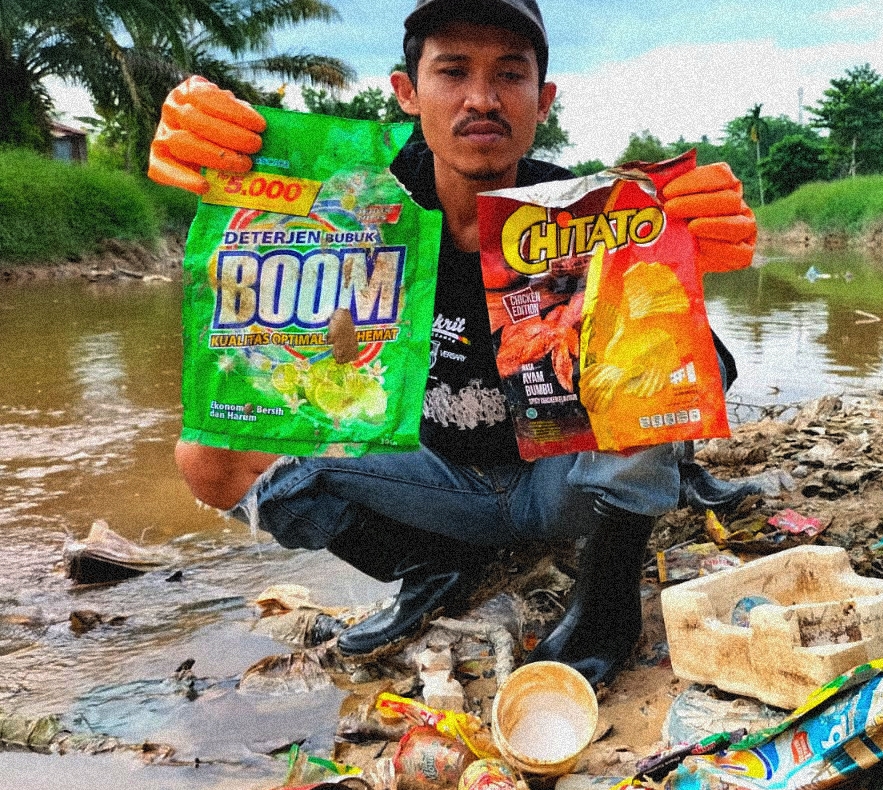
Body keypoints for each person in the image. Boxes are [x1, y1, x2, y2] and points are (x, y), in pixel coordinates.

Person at [146, 0, 757, 685]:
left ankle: (608, 597)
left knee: (651, 368)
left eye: (509, 75)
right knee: (206, 453)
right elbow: (256, 314)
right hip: (434, 480)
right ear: (407, 93)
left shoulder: (589, 214)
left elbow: (710, 372)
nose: (481, 99)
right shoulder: (354, 204)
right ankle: (425, 563)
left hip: (562, 484)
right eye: (453, 71)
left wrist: (682, 278)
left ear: (542, 100)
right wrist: (205, 142)